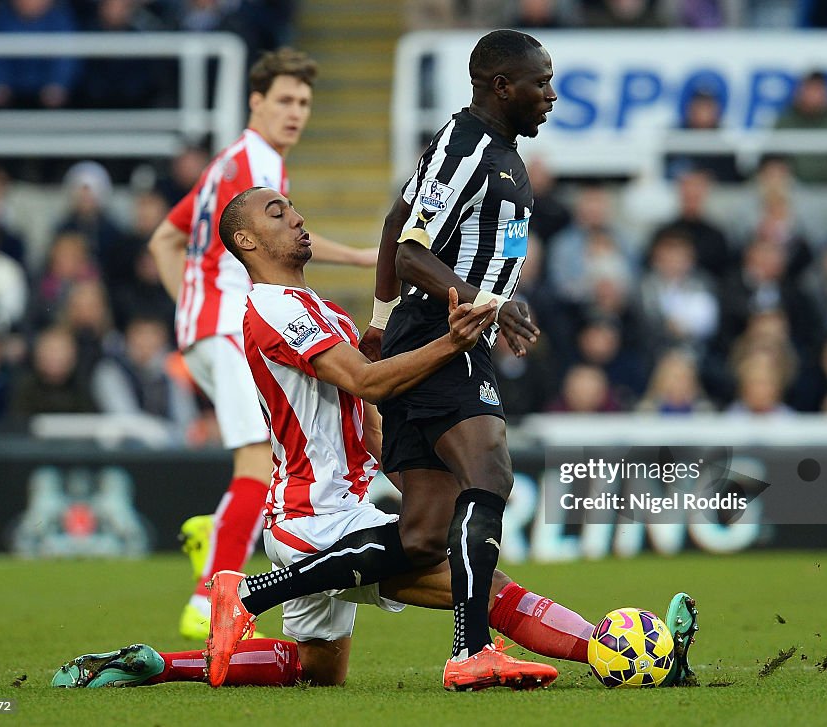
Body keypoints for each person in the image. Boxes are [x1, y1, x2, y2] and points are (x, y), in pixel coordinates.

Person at [53, 186, 695, 691]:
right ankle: (620, 652)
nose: (298, 219)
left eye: (296, 209)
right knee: (483, 581)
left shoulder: (319, 309)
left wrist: (412, 475)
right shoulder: (272, 309)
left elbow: (367, 417)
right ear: (247, 239)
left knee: (318, 670)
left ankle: (157, 665)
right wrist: (455, 339)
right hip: (317, 513)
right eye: (279, 213)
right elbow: (368, 381)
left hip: (334, 507)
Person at [207, 31, 696, 692]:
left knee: (421, 536)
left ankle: (255, 592)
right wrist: (484, 306)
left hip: (437, 330)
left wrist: (380, 326)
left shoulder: (500, 157)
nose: (551, 95)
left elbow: (393, 223)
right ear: (502, 85)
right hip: (444, 332)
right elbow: (410, 249)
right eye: (540, 82)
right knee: (489, 472)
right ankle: (473, 649)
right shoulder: (466, 146)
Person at [147, 48, 378, 640]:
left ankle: (218, 532)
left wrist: (188, 309)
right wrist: (356, 255)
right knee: (258, 457)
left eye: (304, 102)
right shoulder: (256, 161)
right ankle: (210, 597)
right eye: (284, 100)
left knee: (269, 455)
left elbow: (163, 240)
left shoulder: (221, 163)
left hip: (205, 328)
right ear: (256, 101)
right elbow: (277, 237)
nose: (295, 112)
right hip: (231, 326)